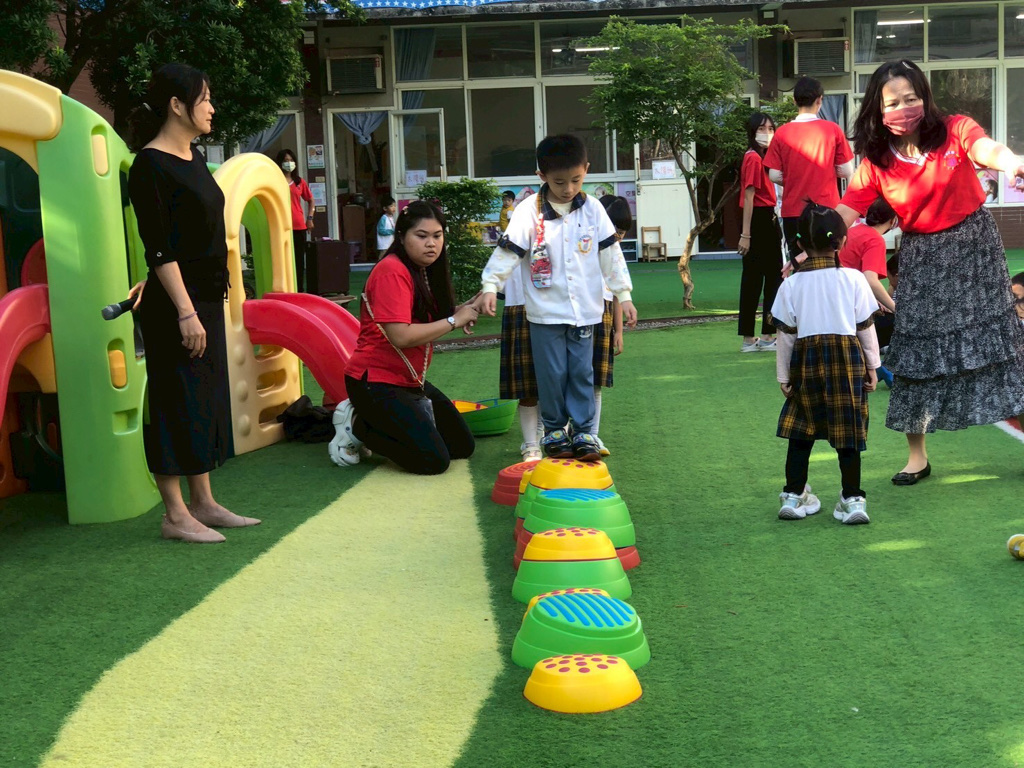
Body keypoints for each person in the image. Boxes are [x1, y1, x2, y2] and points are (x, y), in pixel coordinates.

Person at [836, 59, 1024, 486]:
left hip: (975, 247)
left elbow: (987, 148)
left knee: (1004, 344)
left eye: (911, 98)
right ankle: (917, 457)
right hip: (922, 256)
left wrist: (1011, 162)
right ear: (878, 109)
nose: (903, 108)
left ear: (925, 98)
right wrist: (809, 249)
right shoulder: (877, 162)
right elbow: (846, 211)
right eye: (892, 103)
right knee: (916, 351)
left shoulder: (955, 130)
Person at [127, 62, 259, 544]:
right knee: (174, 402)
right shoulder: (149, 166)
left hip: (203, 297)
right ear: (176, 106)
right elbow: (160, 248)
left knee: (201, 401)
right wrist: (184, 310)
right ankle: (175, 514)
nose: (212, 108)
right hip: (177, 306)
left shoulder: (194, 156)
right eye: (204, 99)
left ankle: (203, 502)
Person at [479, 134, 637, 462]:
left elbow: (611, 254)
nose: (568, 189)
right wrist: (491, 286)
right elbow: (508, 251)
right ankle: (553, 431)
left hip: (586, 313)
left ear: (586, 170)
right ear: (542, 176)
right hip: (545, 314)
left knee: (581, 372)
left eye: (576, 180)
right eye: (559, 182)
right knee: (551, 374)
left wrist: (624, 295)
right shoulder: (528, 212)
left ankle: (583, 432)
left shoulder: (593, 209)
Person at [329, 200, 480, 475]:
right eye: (421, 236)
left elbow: (425, 318)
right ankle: (358, 426)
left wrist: (466, 309)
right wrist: (454, 321)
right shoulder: (392, 270)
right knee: (433, 461)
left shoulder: (423, 270)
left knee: (461, 446)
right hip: (375, 383)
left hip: (409, 379)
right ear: (401, 236)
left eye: (437, 236)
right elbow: (401, 336)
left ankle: (385, 425)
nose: (431, 244)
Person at [772, 203, 881, 526]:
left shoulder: (790, 285)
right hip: (847, 363)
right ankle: (853, 499)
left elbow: (785, 336)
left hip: (806, 363)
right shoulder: (854, 279)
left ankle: (793, 495)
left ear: (800, 244)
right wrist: (873, 366)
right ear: (843, 241)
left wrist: (783, 376)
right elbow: (865, 328)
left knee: (801, 429)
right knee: (848, 429)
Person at [763, 76, 855, 259]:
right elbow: (846, 171)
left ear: (794, 100)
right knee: (830, 261)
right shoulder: (832, 129)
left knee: (798, 262)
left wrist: (792, 178)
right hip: (827, 210)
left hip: (793, 212)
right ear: (820, 100)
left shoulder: (781, 133)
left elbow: (773, 175)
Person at [838, 197, 899, 386]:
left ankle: (878, 366)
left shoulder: (853, 231)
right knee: (894, 321)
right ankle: (882, 368)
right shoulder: (875, 240)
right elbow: (870, 280)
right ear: (893, 220)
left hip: (838, 301)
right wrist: (896, 308)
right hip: (849, 306)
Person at [737, 111, 783, 353]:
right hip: (761, 219)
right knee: (768, 278)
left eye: (771, 128)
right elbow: (749, 195)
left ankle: (753, 337)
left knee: (756, 279)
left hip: (764, 218)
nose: (767, 133)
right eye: (762, 129)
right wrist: (746, 234)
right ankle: (764, 336)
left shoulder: (758, 156)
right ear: (752, 132)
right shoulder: (754, 158)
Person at [593, 195, 631, 456]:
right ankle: (564, 430)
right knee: (571, 378)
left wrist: (619, 331)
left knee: (596, 380)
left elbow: (617, 293)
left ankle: (592, 435)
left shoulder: (614, 254)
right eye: (616, 228)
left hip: (604, 316)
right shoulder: (587, 246)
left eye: (623, 231)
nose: (619, 235)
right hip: (580, 314)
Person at [276, 149, 313, 292]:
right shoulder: (275, 180)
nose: (289, 163)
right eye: (285, 160)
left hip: (298, 225)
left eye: (291, 160)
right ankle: (284, 288)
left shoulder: (299, 182)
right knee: (282, 259)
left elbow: (311, 200)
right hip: (280, 225)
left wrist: (310, 218)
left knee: (298, 259)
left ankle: (299, 289)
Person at [376, 195, 397, 261]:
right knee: (382, 258)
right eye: (391, 206)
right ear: (385, 208)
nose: (394, 208)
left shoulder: (391, 217)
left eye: (394, 206)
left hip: (389, 243)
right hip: (384, 244)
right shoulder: (384, 218)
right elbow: (381, 230)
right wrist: (392, 231)